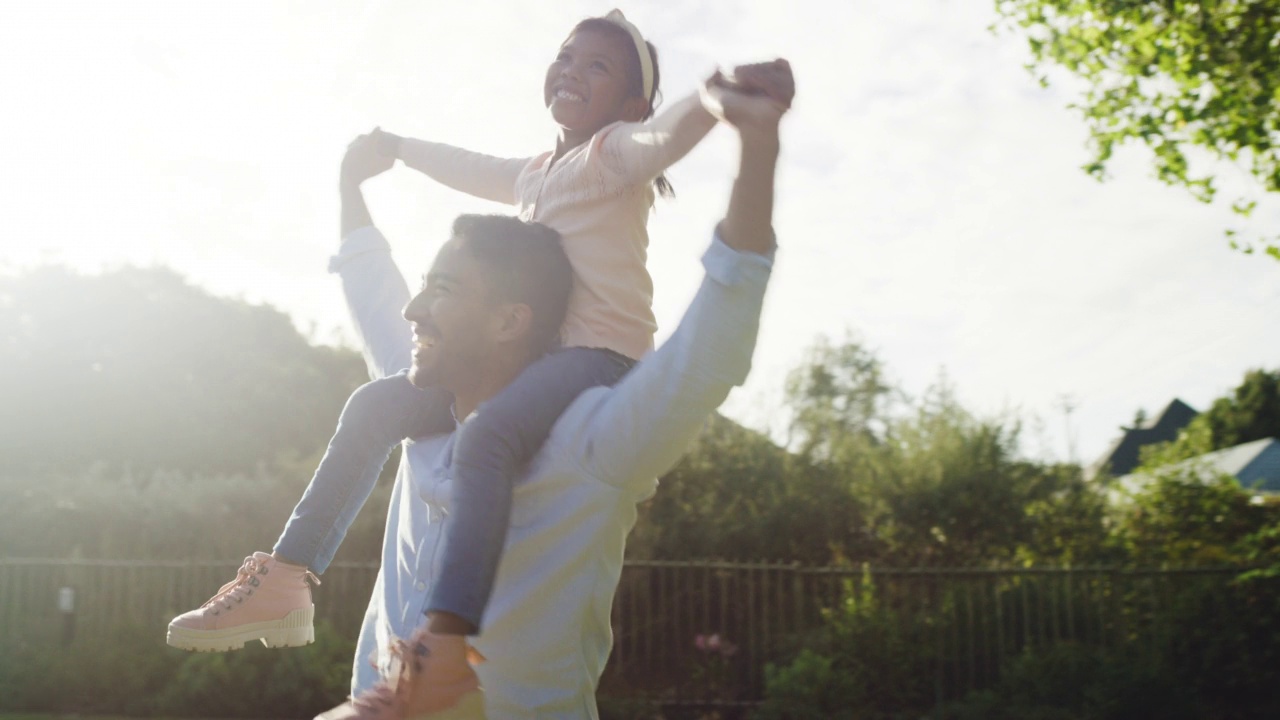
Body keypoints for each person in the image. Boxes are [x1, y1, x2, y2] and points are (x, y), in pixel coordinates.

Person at [167, 9, 745, 658]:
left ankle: (448, 640)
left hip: (601, 359)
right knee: (376, 404)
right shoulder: (535, 174)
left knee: (488, 436)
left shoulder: (611, 156)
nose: (573, 70)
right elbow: (473, 166)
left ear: (630, 105)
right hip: (540, 359)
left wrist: (710, 100)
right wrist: (400, 149)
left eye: (597, 66)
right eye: (567, 55)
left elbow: (658, 142)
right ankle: (289, 578)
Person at [315, 59, 794, 719]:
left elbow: (708, 351)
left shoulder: (592, 442)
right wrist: (351, 182)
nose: (414, 310)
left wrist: (758, 146)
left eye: (445, 290)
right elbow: (372, 286)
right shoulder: (425, 392)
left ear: (509, 321)